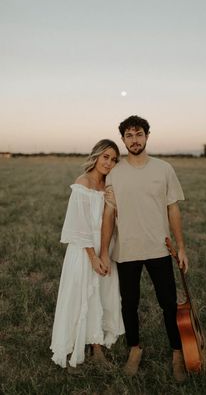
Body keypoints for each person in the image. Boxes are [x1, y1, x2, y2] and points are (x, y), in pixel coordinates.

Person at [100, 116, 189, 382]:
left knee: (168, 305)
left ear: (147, 136)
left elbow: (172, 207)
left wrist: (181, 247)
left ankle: (177, 354)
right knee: (129, 304)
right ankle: (135, 349)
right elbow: (108, 215)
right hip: (126, 250)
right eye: (129, 135)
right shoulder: (114, 173)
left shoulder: (164, 169)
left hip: (159, 249)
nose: (134, 140)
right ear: (123, 140)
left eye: (139, 134)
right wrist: (104, 251)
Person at [50, 139, 124, 373]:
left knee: (101, 295)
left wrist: (105, 252)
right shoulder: (82, 183)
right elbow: (78, 225)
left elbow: (111, 219)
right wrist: (93, 256)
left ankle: (97, 346)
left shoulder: (109, 185)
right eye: (106, 157)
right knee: (80, 296)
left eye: (113, 160)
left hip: (105, 247)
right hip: (84, 249)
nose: (109, 163)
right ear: (96, 156)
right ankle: (72, 348)